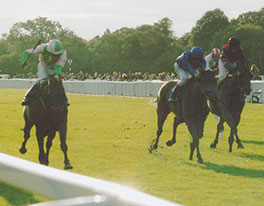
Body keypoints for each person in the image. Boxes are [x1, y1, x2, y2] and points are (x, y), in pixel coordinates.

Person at [20, 39, 70, 106]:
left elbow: (58, 67)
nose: (55, 57)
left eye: (57, 55)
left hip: (54, 68)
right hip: (43, 66)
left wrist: (56, 75)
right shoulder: (43, 47)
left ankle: (65, 100)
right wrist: (25, 57)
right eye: (53, 55)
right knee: (42, 81)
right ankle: (27, 97)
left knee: (58, 82)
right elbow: (29, 51)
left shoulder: (63, 54)